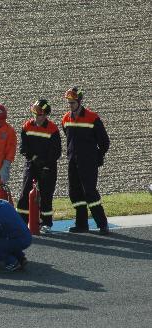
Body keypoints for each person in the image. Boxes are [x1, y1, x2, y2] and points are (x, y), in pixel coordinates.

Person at [61, 87, 110, 235]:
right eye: (68, 103)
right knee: (74, 192)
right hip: (72, 161)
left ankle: (102, 224)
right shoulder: (65, 119)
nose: (70, 105)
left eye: (73, 102)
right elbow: (68, 137)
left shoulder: (92, 118)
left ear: (80, 101)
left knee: (90, 193)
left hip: (88, 163)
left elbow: (104, 142)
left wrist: (96, 157)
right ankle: (82, 224)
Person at [16, 99, 62, 233]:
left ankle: (46, 223)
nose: (36, 116)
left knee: (46, 195)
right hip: (31, 165)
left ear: (46, 114)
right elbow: (23, 148)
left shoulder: (53, 129)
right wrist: (34, 159)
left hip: (48, 167)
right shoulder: (27, 126)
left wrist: (46, 165)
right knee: (25, 193)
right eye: (34, 112)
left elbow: (56, 151)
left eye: (39, 113)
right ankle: (21, 222)